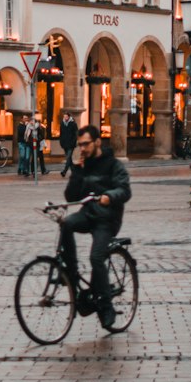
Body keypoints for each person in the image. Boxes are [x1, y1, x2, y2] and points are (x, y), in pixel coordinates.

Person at [62, 123, 131, 328]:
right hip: (88, 214)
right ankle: (71, 272)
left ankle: (107, 306)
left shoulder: (113, 165)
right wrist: (77, 172)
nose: (82, 148)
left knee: (96, 257)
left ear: (97, 142)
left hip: (107, 219)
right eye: (80, 145)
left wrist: (110, 196)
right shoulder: (84, 165)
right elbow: (71, 196)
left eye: (86, 144)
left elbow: (125, 190)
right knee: (66, 223)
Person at [58, 111, 78, 176]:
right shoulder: (62, 124)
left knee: (68, 157)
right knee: (69, 159)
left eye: (66, 116)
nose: (65, 117)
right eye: (64, 116)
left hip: (71, 144)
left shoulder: (73, 124)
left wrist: (74, 141)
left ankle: (64, 171)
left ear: (69, 117)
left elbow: (76, 134)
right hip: (65, 144)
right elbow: (61, 134)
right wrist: (61, 142)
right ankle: (74, 172)